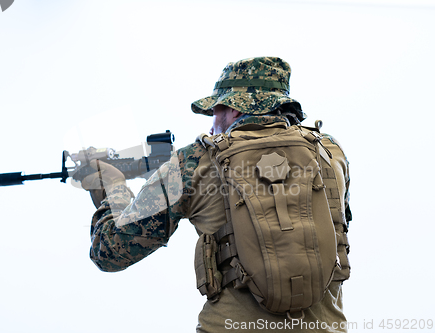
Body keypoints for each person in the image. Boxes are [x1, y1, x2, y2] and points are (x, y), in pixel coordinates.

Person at [82, 57, 352, 332]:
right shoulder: (331, 153)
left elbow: (110, 251)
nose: (211, 126)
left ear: (234, 109)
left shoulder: (193, 162)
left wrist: (113, 187)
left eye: (215, 111)